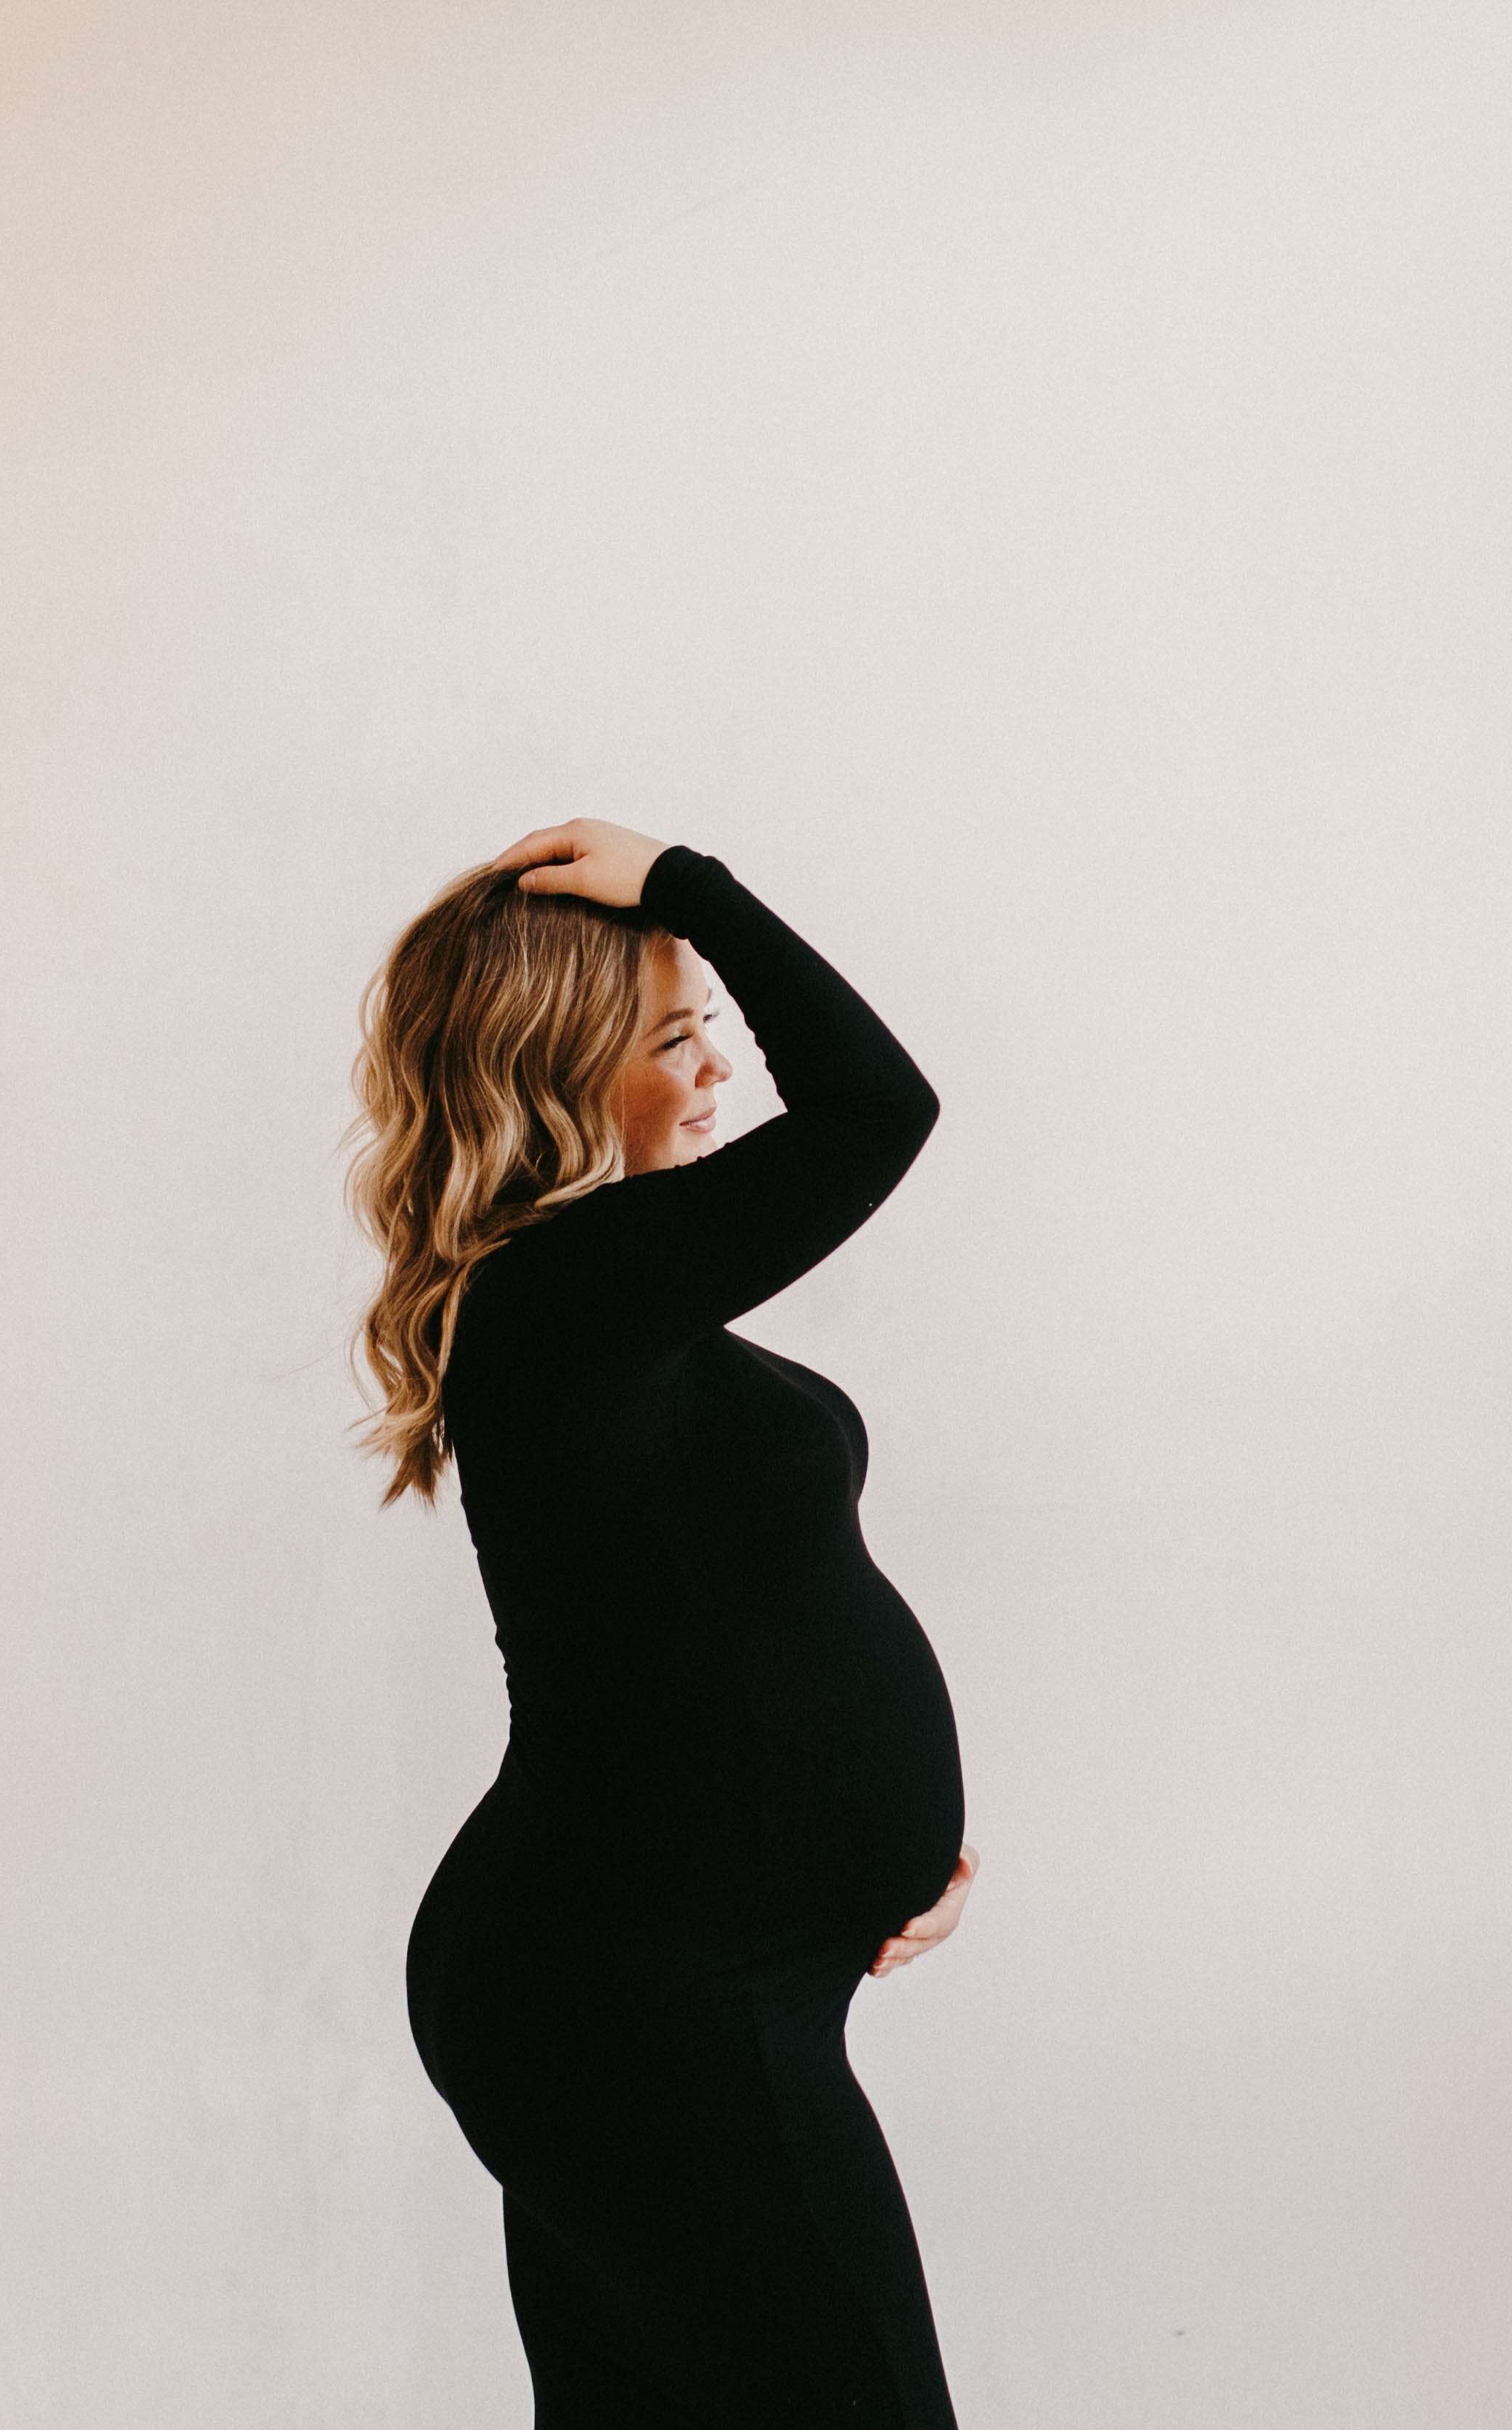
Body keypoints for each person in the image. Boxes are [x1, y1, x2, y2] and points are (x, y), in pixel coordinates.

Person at [347, 818, 979, 2428]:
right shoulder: (562, 1295)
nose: (716, 1075)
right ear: (554, 1072)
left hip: (679, 1972)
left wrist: (878, 1856)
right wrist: (688, 887)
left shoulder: (618, 1307)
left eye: (708, 1027)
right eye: (676, 1038)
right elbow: (875, 1109)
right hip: (636, 1995)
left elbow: (696, 1628)